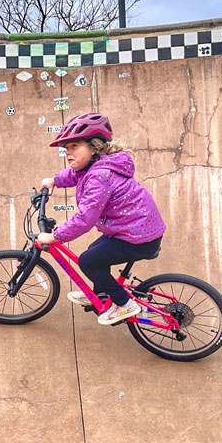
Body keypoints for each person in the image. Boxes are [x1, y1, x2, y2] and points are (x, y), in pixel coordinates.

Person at [37, 112, 166, 325]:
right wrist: (54, 180)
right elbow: (75, 174)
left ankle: (124, 304)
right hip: (135, 230)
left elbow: (84, 219)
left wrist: (55, 236)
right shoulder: (97, 166)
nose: (68, 152)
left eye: (75, 146)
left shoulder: (100, 176)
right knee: (94, 252)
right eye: (66, 148)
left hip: (138, 237)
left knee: (88, 261)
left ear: (94, 147)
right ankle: (101, 294)